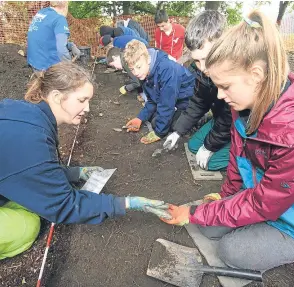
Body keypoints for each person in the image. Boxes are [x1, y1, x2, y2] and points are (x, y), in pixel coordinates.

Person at [160, 11, 294, 272]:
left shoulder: (293, 132)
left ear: (256, 75)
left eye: (225, 86)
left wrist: (192, 213)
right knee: (208, 223)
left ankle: (293, 245)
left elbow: (265, 202)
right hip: (264, 198)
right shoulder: (244, 103)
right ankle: (252, 221)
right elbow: (237, 159)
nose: (220, 97)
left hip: (291, 218)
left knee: (231, 251)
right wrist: (224, 196)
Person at [0, 62, 169, 260]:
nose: (87, 108)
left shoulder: (22, 112)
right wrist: (126, 203)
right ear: (56, 96)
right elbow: (63, 205)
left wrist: (75, 173)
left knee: (28, 202)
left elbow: (28, 171)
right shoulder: (32, 140)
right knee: (27, 227)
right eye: (82, 100)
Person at [163, 11, 232, 171]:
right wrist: (177, 132)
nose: (203, 68)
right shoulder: (201, 71)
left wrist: (210, 147)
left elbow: (230, 116)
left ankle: (241, 151)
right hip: (220, 118)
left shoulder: (235, 72)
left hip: (240, 125)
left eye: (207, 58)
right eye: (197, 60)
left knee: (211, 162)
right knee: (194, 147)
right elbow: (198, 102)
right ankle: (213, 127)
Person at [124, 40, 195, 144]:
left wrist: (158, 133)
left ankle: (200, 119)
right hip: (174, 99)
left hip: (190, 100)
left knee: (171, 124)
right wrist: (140, 118)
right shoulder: (145, 72)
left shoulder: (167, 69)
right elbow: (153, 100)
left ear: (148, 59)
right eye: (132, 69)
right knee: (155, 118)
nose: (136, 73)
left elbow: (166, 104)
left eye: (138, 67)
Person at [27, 1, 81, 71]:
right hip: (47, 68)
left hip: (34, 61)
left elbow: (46, 38)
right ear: (65, 6)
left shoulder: (41, 13)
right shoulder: (59, 19)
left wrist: (71, 45)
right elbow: (61, 50)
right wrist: (70, 68)